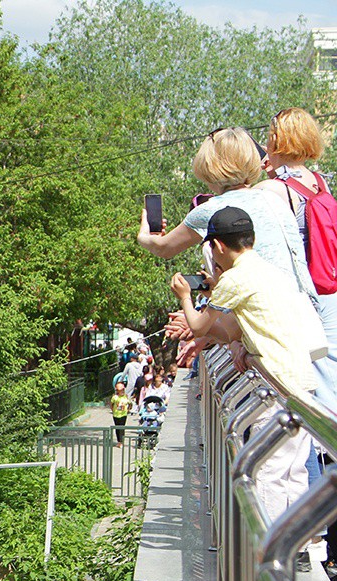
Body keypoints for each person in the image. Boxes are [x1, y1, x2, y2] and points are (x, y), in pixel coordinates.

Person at [170, 206, 316, 525]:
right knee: (294, 469)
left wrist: (185, 297)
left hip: (276, 386)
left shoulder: (235, 278)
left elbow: (198, 326)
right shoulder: (266, 270)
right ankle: (306, 549)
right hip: (301, 380)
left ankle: (265, 552)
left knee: (268, 472)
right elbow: (229, 331)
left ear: (218, 246)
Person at [137, 127, 311, 297]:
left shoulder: (213, 208)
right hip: (305, 307)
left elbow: (164, 249)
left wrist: (143, 236)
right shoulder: (273, 198)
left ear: (209, 166)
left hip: (267, 311)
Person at [255, 107, 337, 414]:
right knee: (329, 371)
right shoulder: (320, 182)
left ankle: (317, 449)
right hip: (330, 285)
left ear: (276, 139)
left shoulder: (273, 190)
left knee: (302, 375)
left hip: (302, 294)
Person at [110, 381, 133, 446]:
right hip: (116, 415)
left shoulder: (125, 397)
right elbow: (111, 404)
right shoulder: (115, 397)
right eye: (120, 390)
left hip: (123, 414)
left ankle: (121, 441)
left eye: (123, 390)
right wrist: (113, 410)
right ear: (117, 390)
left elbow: (130, 403)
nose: (122, 391)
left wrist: (128, 409)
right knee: (117, 428)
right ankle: (119, 441)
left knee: (122, 427)